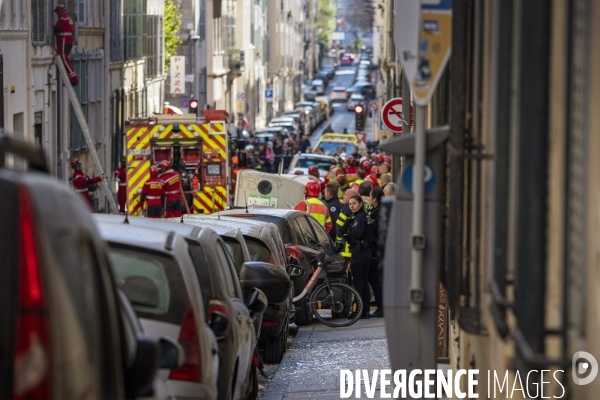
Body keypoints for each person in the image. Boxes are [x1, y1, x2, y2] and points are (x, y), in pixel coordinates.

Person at [344, 194, 372, 319]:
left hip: (359, 252)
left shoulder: (359, 218)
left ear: (361, 203)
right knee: (364, 283)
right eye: (350, 204)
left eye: (354, 203)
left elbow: (358, 233)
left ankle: (358, 311)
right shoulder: (362, 216)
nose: (352, 206)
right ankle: (365, 310)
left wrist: (350, 233)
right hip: (365, 252)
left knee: (359, 283)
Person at [367, 188, 384, 317]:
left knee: (375, 279)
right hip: (376, 250)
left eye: (370, 197)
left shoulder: (380, 212)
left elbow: (377, 231)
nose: (368, 199)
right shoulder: (375, 211)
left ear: (375, 199)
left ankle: (381, 307)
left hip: (377, 251)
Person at [54, 4, 78, 86]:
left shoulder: (63, 18)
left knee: (64, 59)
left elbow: (56, 28)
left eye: (57, 12)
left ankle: (73, 79)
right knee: (65, 59)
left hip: (64, 41)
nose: (57, 14)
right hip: (69, 41)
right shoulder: (69, 18)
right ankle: (70, 78)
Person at [334, 188, 359, 261]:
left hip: (346, 246)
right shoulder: (360, 205)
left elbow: (339, 225)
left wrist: (338, 241)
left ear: (351, 197)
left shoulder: (347, 206)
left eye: (345, 195)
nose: (343, 197)